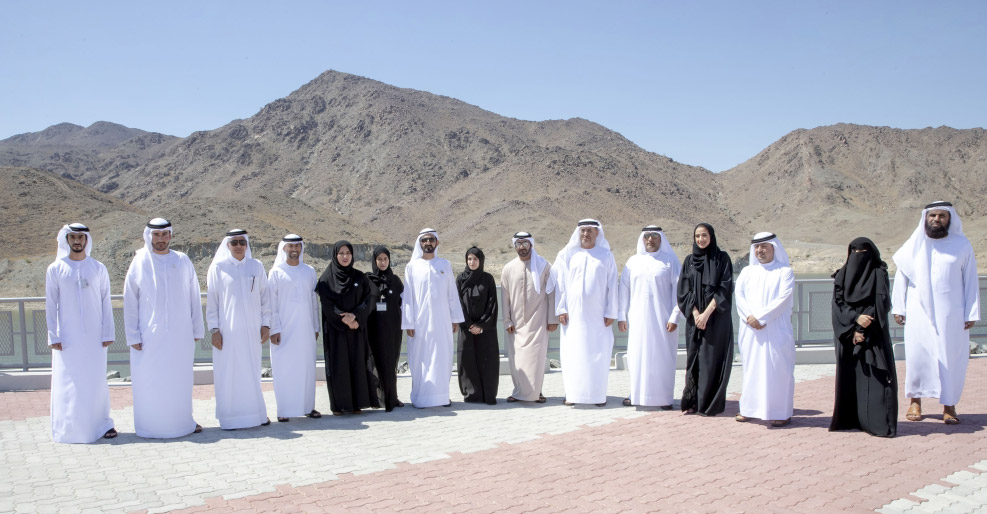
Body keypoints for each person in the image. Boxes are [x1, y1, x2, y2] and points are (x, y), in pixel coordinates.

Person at [892, 201, 980, 425]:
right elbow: (901, 277)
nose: (936, 220)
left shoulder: (961, 245)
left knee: (951, 358)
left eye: (942, 216)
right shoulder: (914, 245)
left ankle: (949, 405)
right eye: (932, 216)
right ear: (925, 218)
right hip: (918, 311)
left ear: (949, 219)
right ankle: (915, 401)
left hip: (951, 313)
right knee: (917, 356)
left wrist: (971, 313)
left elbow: (970, 280)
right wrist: (899, 307)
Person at [123, 218, 204, 438]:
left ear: (170, 235)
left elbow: (194, 295)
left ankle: (182, 423)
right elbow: (130, 300)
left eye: (164, 234)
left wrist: (197, 329)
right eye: (156, 235)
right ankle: (150, 426)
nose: (160, 239)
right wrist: (132, 335)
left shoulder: (182, 260)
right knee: (150, 381)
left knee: (179, 380)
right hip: (149, 336)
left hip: (180, 334)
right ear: (149, 236)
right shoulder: (140, 261)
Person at [45, 223, 117, 443]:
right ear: (67, 240)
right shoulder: (55, 269)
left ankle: (101, 424)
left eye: (81, 237)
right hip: (67, 337)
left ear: (86, 240)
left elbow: (106, 302)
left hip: (95, 337)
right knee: (68, 381)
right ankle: (68, 428)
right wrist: (53, 335)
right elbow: (51, 304)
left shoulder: (98, 268)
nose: (77, 241)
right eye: (73, 237)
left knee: (95, 381)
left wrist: (108, 332)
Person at [830, 237, 897, 437]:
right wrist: (854, 321)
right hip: (847, 335)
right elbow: (837, 304)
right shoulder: (842, 275)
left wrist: (862, 329)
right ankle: (851, 420)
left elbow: (880, 304)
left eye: (863, 253)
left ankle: (877, 423)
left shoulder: (879, 274)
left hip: (872, 333)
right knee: (850, 378)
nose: (858, 257)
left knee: (875, 378)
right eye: (855, 252)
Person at [206, 229, 271, 429]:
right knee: (229, 373)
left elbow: (265, 298)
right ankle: (230, 418)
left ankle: (256, 415)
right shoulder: (218, 268)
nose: (239, 246)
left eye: (242, 242)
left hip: (252, 331)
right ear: (227, 245)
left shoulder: (256, 266)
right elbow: (212, 302)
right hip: (228, 332)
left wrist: (266, 324)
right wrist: (214, 330)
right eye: (234, 242)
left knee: (251, 371)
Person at [554, 219, 618, 407]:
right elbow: (561, 284)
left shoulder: (606, 255)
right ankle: (573, 395)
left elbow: (612, 285)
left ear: (597, 233)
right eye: (583, 230)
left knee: (597, 354)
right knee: (573, 354)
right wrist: (561, 308)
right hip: (573, 316)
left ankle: (597, 396)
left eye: (590, 230)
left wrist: (611, 311)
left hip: (598, 316)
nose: (586, 234)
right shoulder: (569, 255)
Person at [734, 232, 796, 427]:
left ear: (773, 248)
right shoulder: (747, 272)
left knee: (778, 370)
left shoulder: (784, 272)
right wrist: (750, 317)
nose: (760, 251)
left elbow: (783, 299)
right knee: (752, 370)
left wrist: (761, 317)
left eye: (764, 247)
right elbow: (739, 296)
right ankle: (749, 409)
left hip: (776, 330)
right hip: (751, 330)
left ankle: (781, 412)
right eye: (757, 247)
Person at [617, 226, 681, 409]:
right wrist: (621, 316)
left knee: (662, 358)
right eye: (646, 236)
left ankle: (664, 398)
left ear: (661, 239)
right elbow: (624, 289)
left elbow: (679, 291)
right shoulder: (633, 262)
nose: (650, 239)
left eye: (654, 236)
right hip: (638, 319)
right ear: (642, 239)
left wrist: (675, 316)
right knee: (637, 357)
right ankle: (636, 395)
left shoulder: (670, 261)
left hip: (663, 321)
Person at [401, 229, 466, 408]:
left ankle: (442, 397)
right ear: (420, 243)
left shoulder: (445, 265)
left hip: (442, 321)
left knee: (442, 357)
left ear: (437, 243)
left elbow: (452, 294)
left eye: (431, 239)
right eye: (424, 240)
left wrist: (455, 318)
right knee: (420, 358)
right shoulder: (412, 267)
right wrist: (408, 322)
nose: (428, 243)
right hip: (419, 323)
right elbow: (408, 298)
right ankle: (421, 398)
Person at [315, 241, 380, 415]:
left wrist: (356, 317)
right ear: (335, 255)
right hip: (336, 332)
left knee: (357, 364)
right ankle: (339, 405)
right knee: (339, 366)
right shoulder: (326, 279)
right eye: (341, 253)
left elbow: (369, 298)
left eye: (348, 253)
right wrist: (345, 319)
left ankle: (357, 403)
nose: (345, 256)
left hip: (356, 330)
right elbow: (327, 304)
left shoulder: (359, 277)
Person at [677, 223, 734, 417]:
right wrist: (695, 314)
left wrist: (707, 314)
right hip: (695, 320)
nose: (701, 239)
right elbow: (684, 291)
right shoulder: (689, 261)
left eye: (704, 235)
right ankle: (693, 402)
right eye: (697, 236)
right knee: (694, 359)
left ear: (712, 237)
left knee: (711, 360)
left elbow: (724, 288)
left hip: (716, 319)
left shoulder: (722, 259)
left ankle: (709, 404)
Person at [268, 234, 321, 422]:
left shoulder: (309, 271)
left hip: (306, 330)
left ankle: (308, 407)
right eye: (290, 246)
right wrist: (274, 329)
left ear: (301, 248)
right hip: (283, 331)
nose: (294, 249)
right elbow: (271, 304)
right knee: (284, 369)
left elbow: (314, 302)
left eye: (297, 246)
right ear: (284, 248)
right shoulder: (276, 272)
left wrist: (315, 327)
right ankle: (284, 410)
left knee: (307, 368)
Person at [501, 232, 558, 404]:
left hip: (538, 321)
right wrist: (507, 320)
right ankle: (519, 391)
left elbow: (552, 293)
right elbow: (505, 297)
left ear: (531, 245)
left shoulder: (544, 266)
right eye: (518, 244)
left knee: (536, 360)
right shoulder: (508, 268)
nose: (522, 247)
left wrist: (552, 319)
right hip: (516, 324)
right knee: (517, 360)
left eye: (525, 243)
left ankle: (537, 392)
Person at [456, 247, 500, 404]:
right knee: (467, 361)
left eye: (475, 259)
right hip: (466, 328)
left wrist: (481, 325)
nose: (472, 262)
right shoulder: (460, 279)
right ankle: (472, 394)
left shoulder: (488, 279)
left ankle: (488, 394)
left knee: (487, 361)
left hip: (485, 329)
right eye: (469, 259)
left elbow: (492, 304)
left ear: (481, 260)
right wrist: (469, 325)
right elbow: (458, 304)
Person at [367, 246, 405, 411]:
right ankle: (377, 398)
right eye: (379, 259)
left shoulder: (395, 281)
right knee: (376, 362)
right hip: (374, 329)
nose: (383, 262)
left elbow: (403, 303)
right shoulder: (368, 280)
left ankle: (392, 397)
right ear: (374, 261)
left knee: (391, 363)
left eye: (385, 259)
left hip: (393, 329)